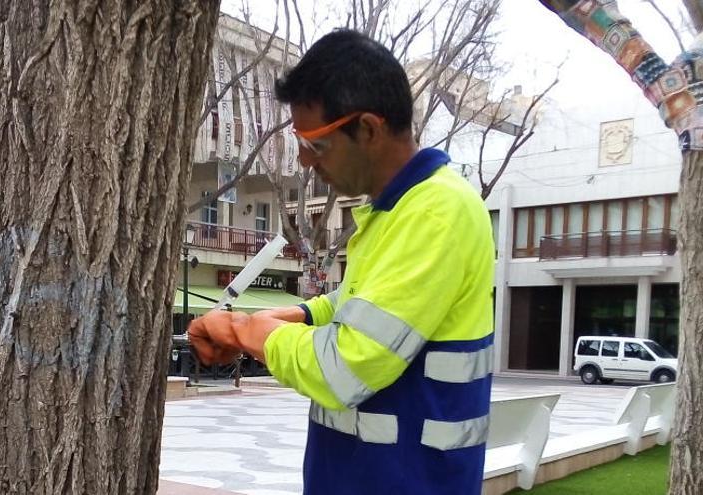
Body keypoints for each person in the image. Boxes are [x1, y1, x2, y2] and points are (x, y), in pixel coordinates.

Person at [188, 29, 494, 495]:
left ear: (368, 128)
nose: (306, 161)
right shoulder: (397, 209)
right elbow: (357, 304)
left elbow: (344, 368)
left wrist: (244, 332)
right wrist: (289, 315)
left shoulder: (436, 211)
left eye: (317, 144)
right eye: (300, 143)